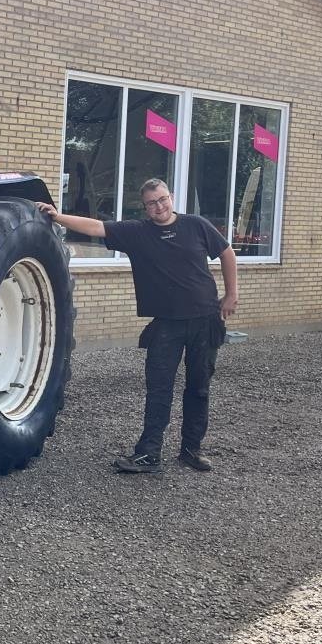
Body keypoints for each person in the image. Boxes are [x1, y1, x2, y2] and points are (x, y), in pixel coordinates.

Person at [36, 179, 238, 473]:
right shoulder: (137, 233)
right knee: (159, 389)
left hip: (205, 320)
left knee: (199, 387)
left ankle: (191, 450)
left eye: (163, 199)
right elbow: (95, 227)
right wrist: (56, 215)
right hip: (166, 326)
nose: (159, 207)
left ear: (171, 197)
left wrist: (231, 294)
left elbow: (227, 253)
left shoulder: (196, 225)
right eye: (152, 203)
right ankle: (149, 454)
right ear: (144, 207)